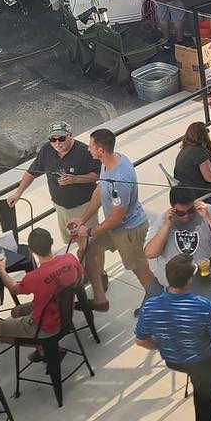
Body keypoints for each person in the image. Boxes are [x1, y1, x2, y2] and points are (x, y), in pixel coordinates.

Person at [135, 253, 211, 421]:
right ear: (189, 281)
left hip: (174, 361)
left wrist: (161, 345)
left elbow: (140, 341)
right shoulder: (204, 306)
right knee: (204, 405)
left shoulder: (149, 306)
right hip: (204, 362)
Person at [68, 128, 154, 311]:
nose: (88, 149)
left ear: (101, 150)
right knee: (88, 252)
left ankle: (158, 306)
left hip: (129, 231)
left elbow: (117, 218)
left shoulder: (120, 180)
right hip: (114, 227)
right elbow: (100, 189)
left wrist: (89, 231)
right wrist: (83, 219)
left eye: (91, 146)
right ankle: (100, 300)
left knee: (141, 272)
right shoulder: (109, 162)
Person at [0, 226, 84, 342]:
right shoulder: (70, 258)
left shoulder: (34, 277)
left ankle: (40, 345)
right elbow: (81, 278)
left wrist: (1, 270)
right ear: (51, 242)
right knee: (16, 311)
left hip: (46, 326)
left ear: (30, 250)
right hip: (66, 312)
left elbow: (14, 289)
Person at [6, 123, 99, 246]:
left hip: (83, 207)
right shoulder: (47, 149)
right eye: (52, 139)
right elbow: (32, 172)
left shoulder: (84, 151)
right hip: (60, 208)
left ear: (70, 135)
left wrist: (76, 179)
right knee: (71, 242)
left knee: (90, 245)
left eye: (61, 138)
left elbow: (98, 174)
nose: (57, 143)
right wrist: (18, 193)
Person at [143, 188, 211, 293]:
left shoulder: (206, 210)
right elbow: (150, 253)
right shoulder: (165, 219)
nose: (186, 216)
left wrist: (209, 217)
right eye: (181, 213)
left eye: (191, 211)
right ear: (173, 208)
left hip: (205, 278)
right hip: (175, 287)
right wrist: (166, 226)